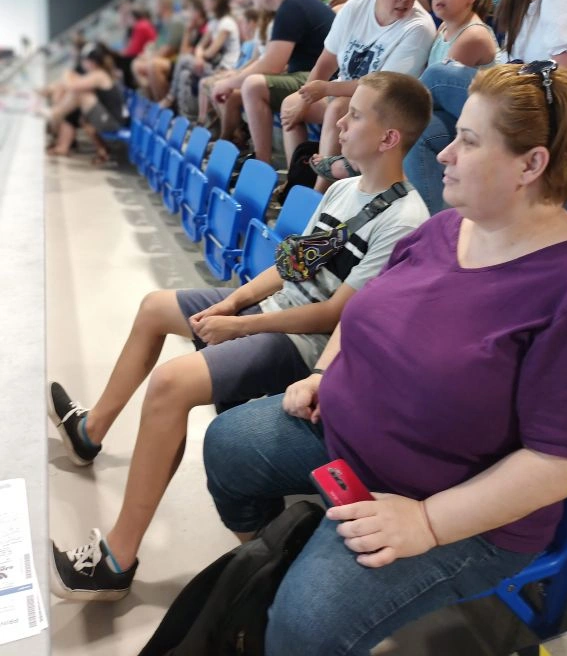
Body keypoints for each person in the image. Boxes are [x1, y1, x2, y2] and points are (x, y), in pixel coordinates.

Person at [202, 62, 567, 654]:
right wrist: (323, 373)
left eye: (468, 141)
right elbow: (364, 308)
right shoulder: (444, 228)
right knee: (227, 444)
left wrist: (427, 523)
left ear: (530, 165)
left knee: (306, 621)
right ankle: (272, 558)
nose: (445, 154)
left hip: (445, 505)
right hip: (343, 436)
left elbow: (559, 462)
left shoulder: (565, 289)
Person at [49, 72, 433, 601]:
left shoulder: (406, 220)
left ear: (389, 137)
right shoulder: (345, 188)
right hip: (276, 312)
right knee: (156, 307)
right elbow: (292, 265)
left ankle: (116, 560)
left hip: (309, 347)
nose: (340, 123)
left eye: (356, 115)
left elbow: (335, 315)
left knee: (170, 386)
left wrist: (241, 325)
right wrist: (232, 302)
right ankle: (90, 431)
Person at [404, 0, 567, 215]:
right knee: (424, 131)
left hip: (549, 121)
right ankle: (441, 232)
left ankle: (382, 131)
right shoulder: (528, 5)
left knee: (439, 75)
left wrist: (513, 78)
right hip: (521, 110)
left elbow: (566, 88)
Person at [310, 0, 499, 188]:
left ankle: (357, 163)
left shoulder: (472, 36)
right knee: (375, 110)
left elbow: (433, 95)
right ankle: (353, 169)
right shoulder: (445, 27)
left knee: (407, 119)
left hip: (477, 122)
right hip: (447, 115)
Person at [280, 0, 436, 189]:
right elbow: (327, 60)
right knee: (291, 105)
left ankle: (320, 195)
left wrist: (326, 89)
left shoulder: (419, 28)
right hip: (343, 95)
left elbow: (381, 88)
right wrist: (304, 98)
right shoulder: (357, 5)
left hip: (381, 108)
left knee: (338, 108)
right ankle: (297, 183)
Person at [212, 0, 335, 163]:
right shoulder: (297, 0)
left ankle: (262, 165)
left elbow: (272, 65)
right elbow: (271, 60)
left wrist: (228, 83)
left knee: (253, 86)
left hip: (322, 81)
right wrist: (232, 80)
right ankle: (289, 173)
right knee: (250, 88)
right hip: (313, 78)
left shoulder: (292, 5)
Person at [43, 43, 127, 160]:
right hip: (108, 118)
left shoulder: (99, 75)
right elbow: (72, 84)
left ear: (91, 62)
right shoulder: (97, 73)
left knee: (80, 95)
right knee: (75, 100)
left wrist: (66, 74)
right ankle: (57, 122)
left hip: (112, 122)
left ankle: (55, 114)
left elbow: (72, 86)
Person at [132, 0, 184, 100]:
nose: (154, 8)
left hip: (175, 60)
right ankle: (152, 100)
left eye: (156, 5)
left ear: (162, 6)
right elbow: (156, 45)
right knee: (136, 64)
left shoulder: (176, 23)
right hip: (163, 58)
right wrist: (148, 53)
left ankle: (163, 102)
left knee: (152, 65)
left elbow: (169, 49)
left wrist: (150, 57)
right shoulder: (163, 24)